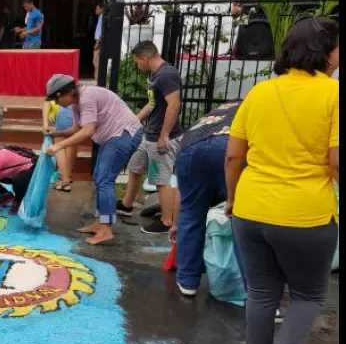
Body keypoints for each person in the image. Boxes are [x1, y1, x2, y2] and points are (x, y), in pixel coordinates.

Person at [227, 17, 339, 344]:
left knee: (261, 292)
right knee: (308, 295)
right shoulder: (333, 94)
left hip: (251, 208)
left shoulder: (259, 92)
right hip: (305, 215)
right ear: (326, 52)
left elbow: (233, 155)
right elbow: (337, 160)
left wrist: (231, 199)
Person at [45, 75, 143, 245]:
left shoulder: (87, 97)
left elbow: (87, 131)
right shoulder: (76, 103)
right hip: (112, 136)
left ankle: (106, 229)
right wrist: (56, 134)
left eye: (57, 98)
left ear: (68, 92)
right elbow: (77, 128)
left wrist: (59, 146)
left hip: (124, 134)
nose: (56, 103)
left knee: (105, 179)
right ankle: (100, 223)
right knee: (99, 178)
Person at [167, 101, 242, 296]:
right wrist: (232, 199)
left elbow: (182, 194)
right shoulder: (258, 108)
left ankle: (187, 281)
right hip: (230, 148)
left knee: (191, 215)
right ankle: (257, 290)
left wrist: (177, 223)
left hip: (190, 148)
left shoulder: (223, 109)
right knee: (243, 221)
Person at [118, 41, 183, 235]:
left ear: (144, 58)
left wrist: (164, 135)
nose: (138, 66)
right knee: (135, 166)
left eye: (137, 62)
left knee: (160, 178)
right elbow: (153, 103)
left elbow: (174, 105)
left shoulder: (167, 75)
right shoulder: (156, 75)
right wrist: (135, 120)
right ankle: (127, 204)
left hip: (161, 138)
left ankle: (167, 221)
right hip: (150, 135)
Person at [42, 100, 78, 192]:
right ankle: (67, 176)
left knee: (59, 143)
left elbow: (47, 100)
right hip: (76, 108)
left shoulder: (56, 89)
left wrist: (45, 124)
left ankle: (65, 181)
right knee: (72, 142)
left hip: (66, 110)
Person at [94, 2, 105, 81]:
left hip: (99, 43)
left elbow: (102, 31)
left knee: (96, 62)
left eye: (97, 8)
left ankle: (97, 80)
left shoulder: (103, 18)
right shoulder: (100, 17)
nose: (96, 10)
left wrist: (98, 42)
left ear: (102, 9)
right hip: (98, 42)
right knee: (95, 62)